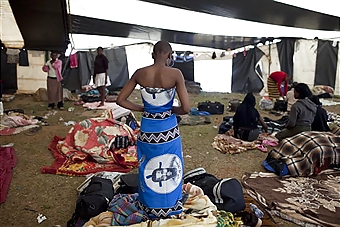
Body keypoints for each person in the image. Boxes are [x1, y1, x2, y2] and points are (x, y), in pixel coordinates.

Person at [116, 41, 190, 218]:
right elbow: (186, 108)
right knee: (172, 164)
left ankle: (149, 205)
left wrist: (143, 109)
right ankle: (170, 205)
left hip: (148, 128)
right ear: (170, 55)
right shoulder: (175, 74)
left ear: (153, 54)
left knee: (147, 167)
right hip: (168, 129)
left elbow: (120, 100)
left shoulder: (140, 73)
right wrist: (171, 110)